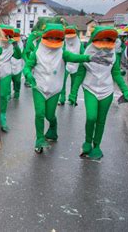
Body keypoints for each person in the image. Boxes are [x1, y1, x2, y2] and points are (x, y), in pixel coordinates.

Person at [23, 23, 111, 153]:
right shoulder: (36, 52)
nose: (53, 41)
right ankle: (39, 139)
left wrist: (90, 57)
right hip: (39, 87)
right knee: (40, 113)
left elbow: (75, 57)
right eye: (51, 37)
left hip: (54, 89)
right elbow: (27, 66)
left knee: (50, 115)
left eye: (56, 38)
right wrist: (28, 74)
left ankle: (53, 127)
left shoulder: (62, 53)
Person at [69, 26, 128, 160]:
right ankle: (87, 142)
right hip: (90, 88)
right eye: (102, 39)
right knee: (91, 117)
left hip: (107, 91)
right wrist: (73, 93)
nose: (105, 42)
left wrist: (125, 90)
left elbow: (116, 74)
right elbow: (80, 74)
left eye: (108, 40)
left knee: (101, 121)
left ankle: (97, 146)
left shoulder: (113, 53)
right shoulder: (87, 53)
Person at [0, 25, 21, 132]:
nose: (6, 37)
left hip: (5, 71)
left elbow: (18, 56)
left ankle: (3, 117)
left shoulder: (11, 45)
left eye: (8, 36)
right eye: (4, 35)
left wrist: (16, 46)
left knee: (3, 95)